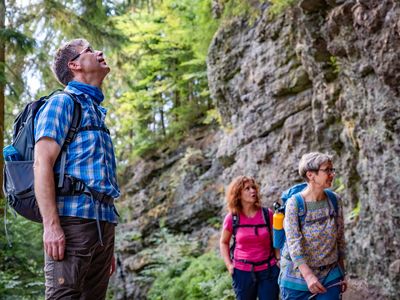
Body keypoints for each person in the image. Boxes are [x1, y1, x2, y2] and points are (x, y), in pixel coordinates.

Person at [33, 38, 120, 299]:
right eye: (91, 50)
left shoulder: (93, 110)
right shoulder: (63, 103)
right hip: (72, 224)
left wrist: (104, 244)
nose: (100, 53)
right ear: (75, 64)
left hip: (101, 227)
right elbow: (42, 163)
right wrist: (51, 226)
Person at [279, 152, 347, 300]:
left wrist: (342, 272)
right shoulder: (295, 204)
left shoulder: (335, 200)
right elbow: (293, 243)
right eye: (327, 170)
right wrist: (309, 276)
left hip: (330, 274)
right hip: (297, 279)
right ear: (311, 175)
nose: (332, 174)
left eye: (332, 170)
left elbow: (340, 237)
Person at [220, 176, 280, 300]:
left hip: (268, 270)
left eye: (253, 187)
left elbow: (276, 239)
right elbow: (224, 242)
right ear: (238, 194)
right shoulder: (232, 218)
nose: (252, 191)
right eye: (247, 188)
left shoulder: (266, 214)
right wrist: (229, 265)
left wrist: (278, 259)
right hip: (242, 272)